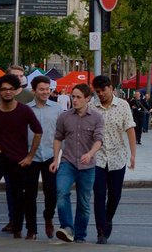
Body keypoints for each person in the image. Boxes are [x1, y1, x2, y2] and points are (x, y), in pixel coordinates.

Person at [0, 74, 42, 239]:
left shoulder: (24, 110)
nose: (7, 92)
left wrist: (30, 156)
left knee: (17, 194)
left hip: (18, 158)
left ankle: (18, 227)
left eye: (11, 89)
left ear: (15, 91)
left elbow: (38, 131)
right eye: (3, 89)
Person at [51, 84, 104, 243]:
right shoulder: (64, 117)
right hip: (68, 162)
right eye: (73, 96)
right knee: (61, 192)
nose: (74, 100)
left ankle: (79, 235)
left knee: (84, 203)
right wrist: (55, 159)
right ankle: (67, 227)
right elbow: (58, 138)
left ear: (88, 98)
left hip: (87, 166)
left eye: (78, 97)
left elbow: (99, 140)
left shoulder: (97, 117)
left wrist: (90, 154)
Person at [90, 75, 136, 244]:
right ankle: (101, 230)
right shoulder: (92, 107)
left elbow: (130, 129)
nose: (101, 94)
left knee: (115, 195)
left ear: (111, 88)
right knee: (99, 194)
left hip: (117, 157)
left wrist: (133, 155)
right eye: (98, 91)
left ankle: (108, 218)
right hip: (98, 158)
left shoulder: (123, 105)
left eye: (103, 90)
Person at [25, 76, 62, 240]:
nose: (45, 92)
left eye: (48, 89)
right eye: (42, 89)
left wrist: (59, 155)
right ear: (34, 90)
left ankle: (48, 217)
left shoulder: (57, 108)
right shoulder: (26, 109)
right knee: (30, 194)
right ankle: (31, 229)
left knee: (51, 192)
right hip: (30, 157)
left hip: (50, 156)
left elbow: (62, 133)